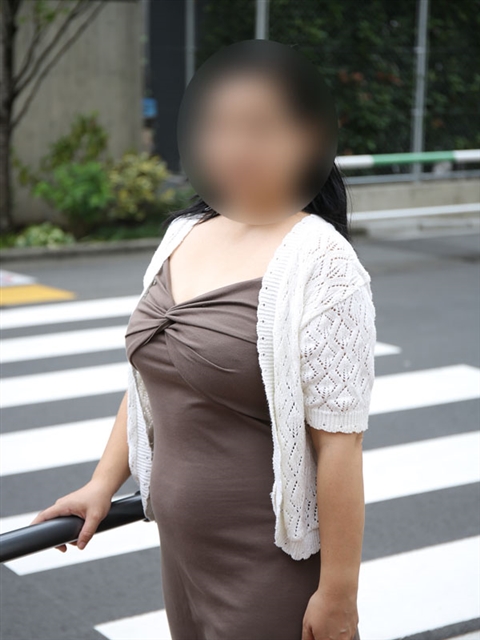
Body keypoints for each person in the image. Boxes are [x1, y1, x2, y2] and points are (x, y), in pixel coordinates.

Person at [30, 41, 376, 640]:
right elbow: (150, 381)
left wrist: (339, 594)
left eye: (259, 128)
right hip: (183, 556)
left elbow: (340, 447)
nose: (235, 147)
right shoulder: (185, 232)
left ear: (307, 139)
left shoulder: (323, 262)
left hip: (268, 563)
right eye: (218, 126)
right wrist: (101, 484)